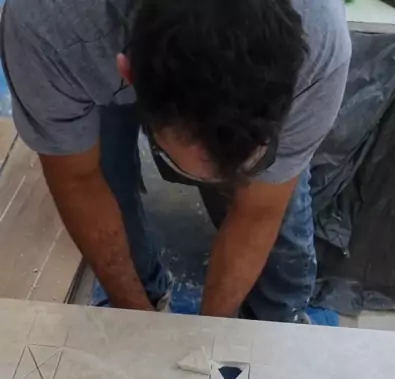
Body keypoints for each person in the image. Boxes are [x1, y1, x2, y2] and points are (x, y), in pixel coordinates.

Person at [1, 0, 351, 322]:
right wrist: (139, 322)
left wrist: (209, 335)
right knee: (108, 172)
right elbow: (79, 180)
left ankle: (277, 318)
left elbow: (260, 209)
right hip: (87, 41)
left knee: (278, 206)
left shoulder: (320, 42)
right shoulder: (48, 28)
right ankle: (143, 304)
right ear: (128, 75)